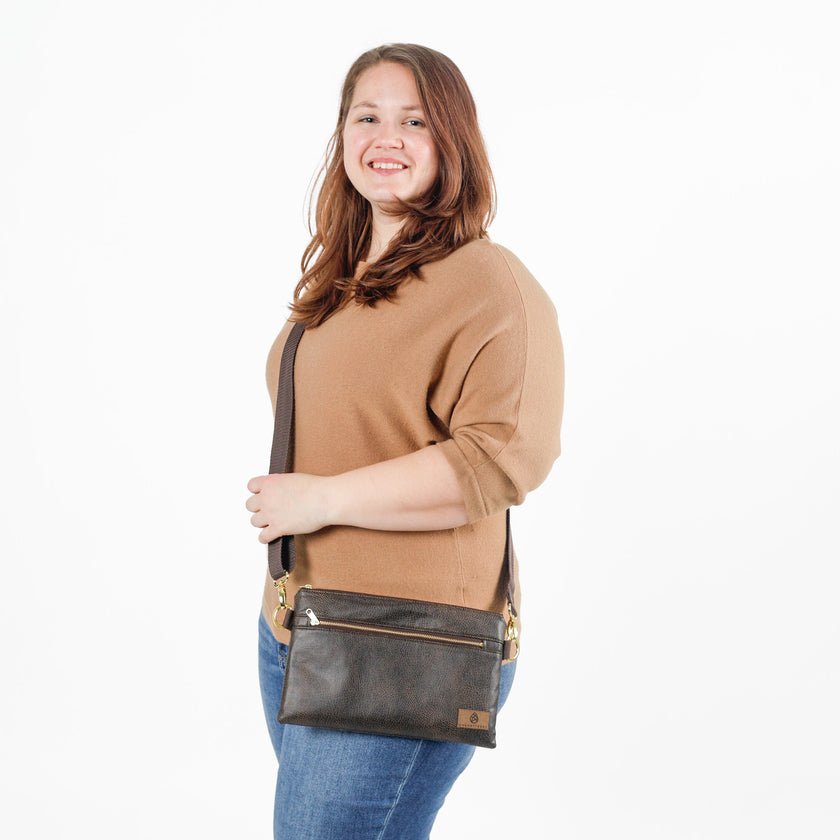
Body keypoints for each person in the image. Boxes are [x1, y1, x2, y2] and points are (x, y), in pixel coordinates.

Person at [245, 43, 564, 840]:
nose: (386, 136)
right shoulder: (345, 277)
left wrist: (319, 499)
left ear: (453, 140)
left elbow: (499, 459)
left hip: (402, 640)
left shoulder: (490, 283)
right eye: (368, 117)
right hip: (305, 624)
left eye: (415, 120)